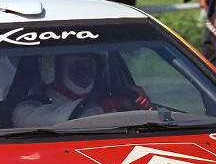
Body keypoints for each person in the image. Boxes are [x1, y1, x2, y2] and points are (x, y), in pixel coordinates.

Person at [12, 53, 148, 127]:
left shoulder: (113, 107)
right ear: (52, 66)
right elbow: (78, 118)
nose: (86, 71)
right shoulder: (25, 111)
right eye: (80, 66)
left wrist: (141, 106)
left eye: (92, 63)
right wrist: (108, 103)